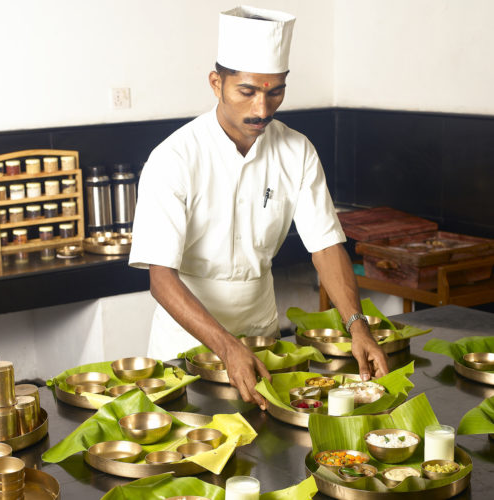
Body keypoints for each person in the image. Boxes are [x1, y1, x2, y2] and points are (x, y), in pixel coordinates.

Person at [129, 5, 388, 409]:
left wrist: (357, 325)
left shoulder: (297, 151)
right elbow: (161, 278)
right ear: (216, 83)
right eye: (247, 92)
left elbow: (325, 246)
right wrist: (226, 347)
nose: (262, 110)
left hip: (263, 336)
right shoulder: (174, 158)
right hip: (187, 344)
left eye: (275, 92)